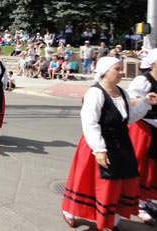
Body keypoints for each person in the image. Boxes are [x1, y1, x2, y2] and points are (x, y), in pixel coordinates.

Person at [62, 57, 157, 231]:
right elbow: (90, 122)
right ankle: (71, 209)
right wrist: (98, 149)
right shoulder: (95, 93)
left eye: (121, 69)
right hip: (98, 143)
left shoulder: (122, 93)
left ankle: (110, 219)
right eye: (117, 69)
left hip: (121, 144)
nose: (122, 72)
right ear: (105, 71)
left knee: (120, 182)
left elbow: (129, 117)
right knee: (91, 181)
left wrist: (145, 103)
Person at [126, 48, 157, 225]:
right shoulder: (143, 80)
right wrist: (146, 99)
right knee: (141, 165)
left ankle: (146, 199)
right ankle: (136, 202)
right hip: (143, 127)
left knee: (152, 168)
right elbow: (128, 99)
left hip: (155, 129)